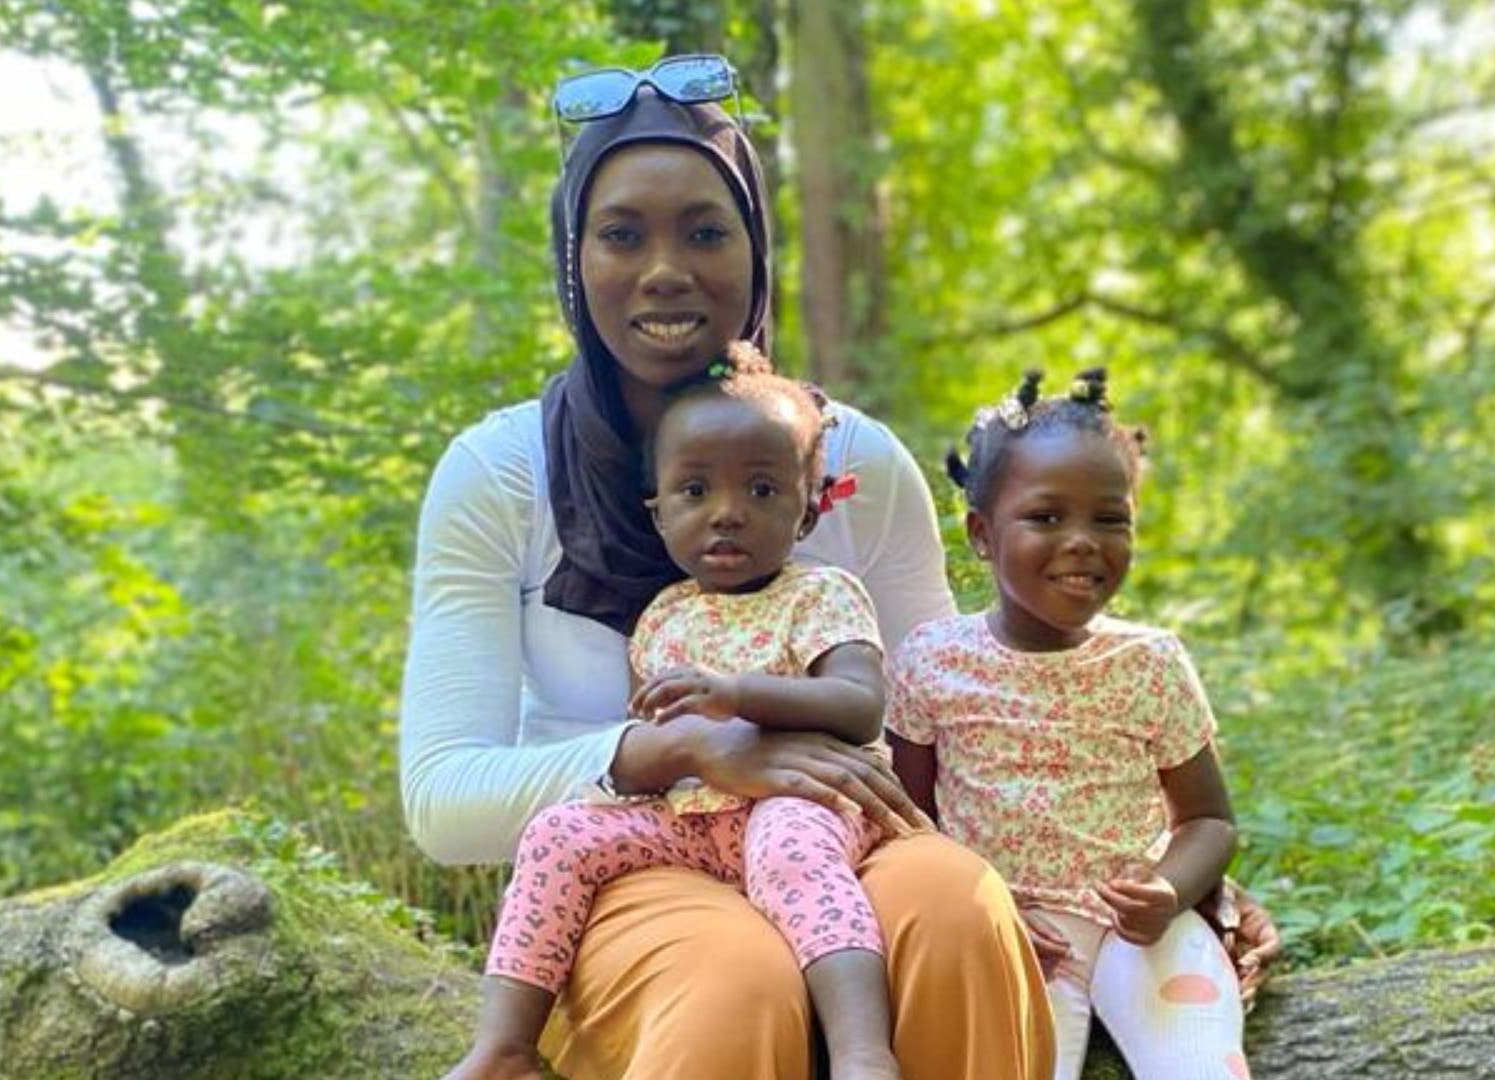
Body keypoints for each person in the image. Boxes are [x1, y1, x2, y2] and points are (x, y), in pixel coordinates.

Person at [400, 57, 1054, 1080]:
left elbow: (952, 729)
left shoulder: (854, 461)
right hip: (632, 867)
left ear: (757, 250)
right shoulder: (499, 474)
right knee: (733, 980)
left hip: (844, 835)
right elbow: (443, 802)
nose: (666, 269)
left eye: (706, 230)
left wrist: (1146, 891)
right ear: (575, 257)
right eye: (622, 234)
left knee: (957, 909)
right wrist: (687, 751)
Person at [444, 341, 914, 1080]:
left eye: (761, 491)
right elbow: (666, 744)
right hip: (693, 823)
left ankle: (861, 1051)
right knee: (560, 832)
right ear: (658, 513)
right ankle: (503, 1046)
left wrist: (736, 695)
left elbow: (859, 705)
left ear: (808, 506)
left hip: (806, 804)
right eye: (696, 492)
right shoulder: (665, 617)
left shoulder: (822, 595)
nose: (727, 514)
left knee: (791, 848)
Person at [886, 369, 1251, 1080]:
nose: (1084, 541)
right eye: (1047, 517)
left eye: (1110, 519)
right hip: (1011, 936)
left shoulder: (1150, 662)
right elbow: (909, 819)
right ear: (982, 535)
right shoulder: (932, 661)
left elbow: (1210, 821)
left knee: (1203, 1065)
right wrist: (977, 913)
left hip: (1141, 932)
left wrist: (1169, 893)